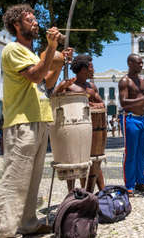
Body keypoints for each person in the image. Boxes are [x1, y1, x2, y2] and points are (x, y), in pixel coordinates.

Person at [0, 4, 68, 237]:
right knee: (15, 181)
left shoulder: (30, 53)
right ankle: (5, 232)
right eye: (29, 19)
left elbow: (46, 82)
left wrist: (57, 62)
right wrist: (51, 48)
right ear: (16, 25)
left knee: (32, 181)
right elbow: (35, 75)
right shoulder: (13, 49)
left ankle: (28, 224)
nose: (35, 22)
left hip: (38, 119)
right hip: (22, 123)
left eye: (35, 18)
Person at [53, 54, 106, 193]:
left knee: (95, 160)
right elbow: (55, 99)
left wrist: (94, 105)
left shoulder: (91, 86)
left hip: (93, 129)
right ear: (83, 69)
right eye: (91, 67)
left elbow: (101, 103)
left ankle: (101, 192)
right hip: (73, 128)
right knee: (73, 161)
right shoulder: (69, 85)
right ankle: (71, 192)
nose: (93, 70)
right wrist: (59, 88)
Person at [118, 54, 144, 196]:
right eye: (138, 63)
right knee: (131, 153)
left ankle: (140, 182)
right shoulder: (124, 81)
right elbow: (123, 103)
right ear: (130, 63)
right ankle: (129, 185)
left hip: (142, 119)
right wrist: (143, 98)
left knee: (142, 153)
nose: (141, 65)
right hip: (130, 119)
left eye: (142, 63)